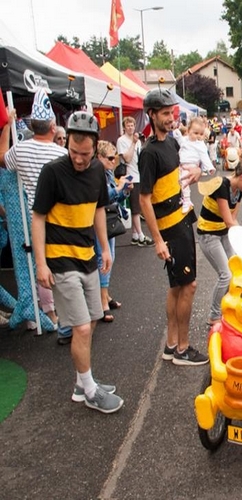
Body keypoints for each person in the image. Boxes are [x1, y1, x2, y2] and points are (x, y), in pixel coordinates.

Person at [32, 111, 123, 413]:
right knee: (81, 328)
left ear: (95, 148)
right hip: (60, 259)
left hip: (88, 257)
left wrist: (105, 249)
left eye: (85, 154)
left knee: (93, 319)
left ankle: (82, 383)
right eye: (73, 151)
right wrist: (41, 263)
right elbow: (38, 217)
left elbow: (98, 209)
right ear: (67, 142)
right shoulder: (52, 172)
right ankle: (90, 391)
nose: (79, 159)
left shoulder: (97, 170)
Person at [138, 88, 208, 366]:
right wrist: (157, 239)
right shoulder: (148, 153)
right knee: (189, 285)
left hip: (182, 218)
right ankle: (183, 349)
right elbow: (144, 199)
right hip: (170, 227)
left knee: (177, 286)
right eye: (165, 113)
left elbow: (181, 173)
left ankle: (171, 345)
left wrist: (197, 172)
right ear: (152, 115)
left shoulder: (172, 142)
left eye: (172, 112)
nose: (170, 118)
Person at [0, 89, 65, 331]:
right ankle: (53, 313)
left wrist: (7, 126)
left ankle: (44, 312)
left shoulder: (21, 150)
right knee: (54, 264)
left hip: (29, 215)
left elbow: (1, 158)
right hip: (56, 218)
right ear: (52, 127)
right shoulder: (62, 154)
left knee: (35, 265)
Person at [197, 151, 242, 325]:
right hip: (209, 234)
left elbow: (233, 220)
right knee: (225, 274)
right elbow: (228, 221)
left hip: (223, 232)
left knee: (236, 270)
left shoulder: (239, 190)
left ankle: (227, 308)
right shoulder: (222, 186)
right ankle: (214, 316)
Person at [95, 141, 132, 323]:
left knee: (110, 257)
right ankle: (102, 301)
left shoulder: (108, 172)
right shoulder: (95, 174)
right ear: (99, 157)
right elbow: (102, 197)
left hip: (110, 218)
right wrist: (118, 188)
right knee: (103, 259)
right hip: (99, 220)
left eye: (114, 157)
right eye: (110, 158)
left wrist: (125, 190)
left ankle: (105, 294)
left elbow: (115, 197)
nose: (113, 161)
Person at [116, 116, 153, 247]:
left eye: (132, 125)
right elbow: (127, 158)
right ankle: (141, 235)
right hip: (130, 176)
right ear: (124, 127)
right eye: (128, 125)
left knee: (137, 205)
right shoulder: (122, 141)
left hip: (138, 175)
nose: (131, 128)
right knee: (136, 207)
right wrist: (133, 143)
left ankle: (135, 235)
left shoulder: (137, 141)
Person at [172, 117, 216, 214]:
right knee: (178, 182)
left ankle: (187, 200)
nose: (198, 136)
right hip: (182, 165)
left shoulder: (200, 145)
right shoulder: (185, 140)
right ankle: (184, 198)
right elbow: (179, 138)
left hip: (192, 165)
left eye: (201, 134)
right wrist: (176, 130)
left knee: (184, 182)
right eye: (196, 133)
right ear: (188, 131)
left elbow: (205, 157)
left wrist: (210, 167)